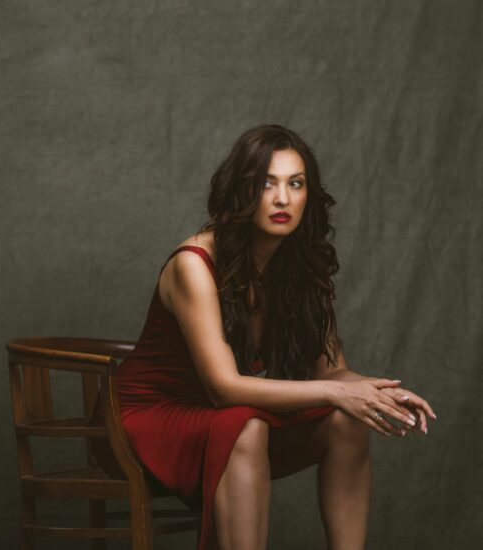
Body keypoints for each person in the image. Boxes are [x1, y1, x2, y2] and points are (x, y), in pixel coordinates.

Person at [93, 124, 436, 550]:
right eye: (266, 184)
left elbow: (334, 373)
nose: (282, 199)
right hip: (139, 423)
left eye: (296, 183)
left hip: (224, 420)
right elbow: (223, 388)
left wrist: (375, 391)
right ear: (242, 191)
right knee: (247, 425)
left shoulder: (303, 269)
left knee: (346, 421)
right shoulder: (194, 264)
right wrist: (336, 392)